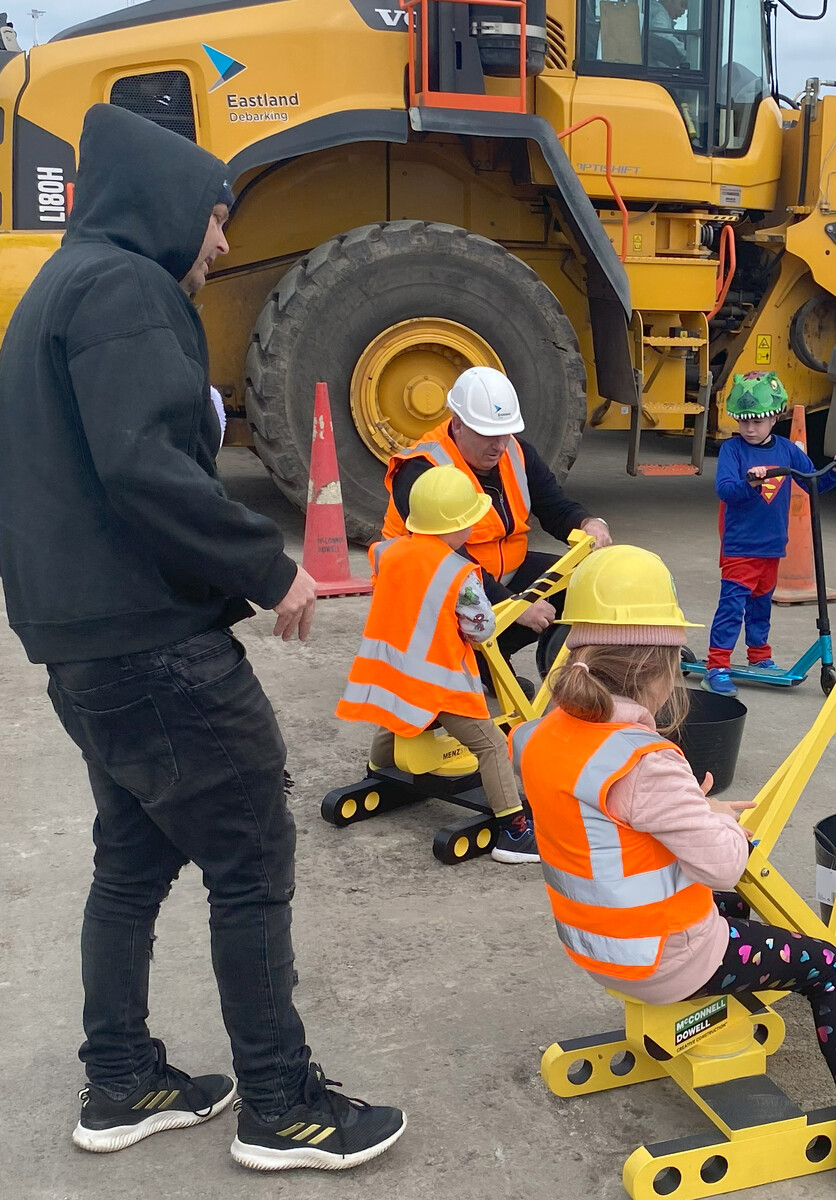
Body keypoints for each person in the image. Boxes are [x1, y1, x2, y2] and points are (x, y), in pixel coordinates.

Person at [0, 104, 402, 1168]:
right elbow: (145, 465)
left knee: (132, 858)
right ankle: (282, 1103)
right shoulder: (126, 289)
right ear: (169, 206)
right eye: (218, 220)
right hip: (150, 648)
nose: (220, 246)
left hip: (82, 644)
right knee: (250, 857)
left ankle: (121, 1081)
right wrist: (272, 569)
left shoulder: (58, 287)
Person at [512, 546, 836, 1191]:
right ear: (661, 670)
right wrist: (720, 824)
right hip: (660, 958)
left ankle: (718, 1016)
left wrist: (693, 808)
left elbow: (605, 824)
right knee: (826, 963)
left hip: (590, 944)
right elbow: (723, 868)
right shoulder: (646, 759)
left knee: (745, 924)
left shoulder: (539, 735)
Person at [337, 466, 535, 862]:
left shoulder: (387, 552)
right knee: (494, 747)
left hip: (394, 674)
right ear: (461, 526)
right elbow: (480, 628)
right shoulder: (458, 572)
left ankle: (380, 774)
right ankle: (514, 832)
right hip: (440, 682)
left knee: (397, 718)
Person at [382, 365, 612, 665]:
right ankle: (462, 665)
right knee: (464, 604)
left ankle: (489, 660)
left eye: (505, 433)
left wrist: (588, 523)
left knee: (585, 580)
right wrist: (513, 605)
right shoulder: (421, 470)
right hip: (435, 589)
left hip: (500, 575)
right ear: (458, 424)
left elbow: (554, 507)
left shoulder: (516, 452)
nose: (499, 445)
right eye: (488, 434)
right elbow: (449, 560)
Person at [704, 371, 836, 695]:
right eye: (743, 421)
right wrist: (750, 484)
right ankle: (717, 664)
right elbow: (726, 490)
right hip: (740, 546)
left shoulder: (786, 450)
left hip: (772, 545)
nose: (750, 428)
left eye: (757, 420)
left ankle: (759, 656)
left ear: (776, 417)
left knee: (761, 605)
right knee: (732, 606)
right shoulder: (733, 451)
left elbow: (812, 482)